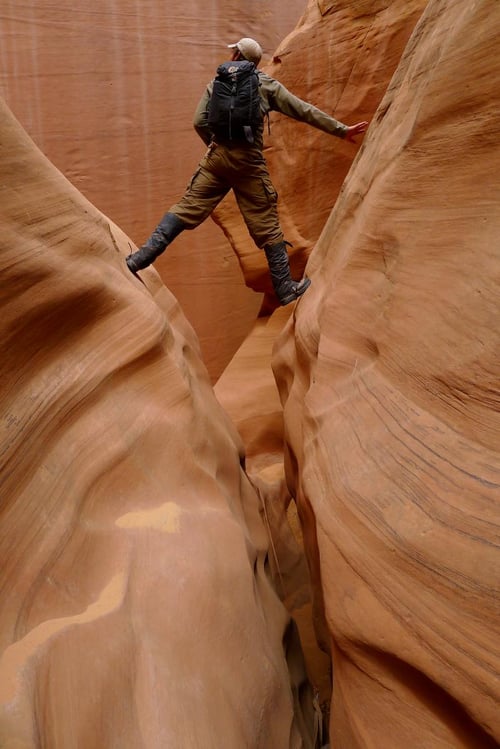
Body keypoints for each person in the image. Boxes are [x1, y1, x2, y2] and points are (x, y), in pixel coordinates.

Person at [126, 37, 368, 305]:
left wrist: (215, 146)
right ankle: (285, 288)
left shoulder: (217, 82)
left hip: (216, 159)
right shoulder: (265, 85)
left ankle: (140, 258)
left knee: (186, 208)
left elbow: (198, 121)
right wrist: (341, 130)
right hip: (248, 163)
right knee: (266, 223)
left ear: (236, 56)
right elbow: (303, 111)